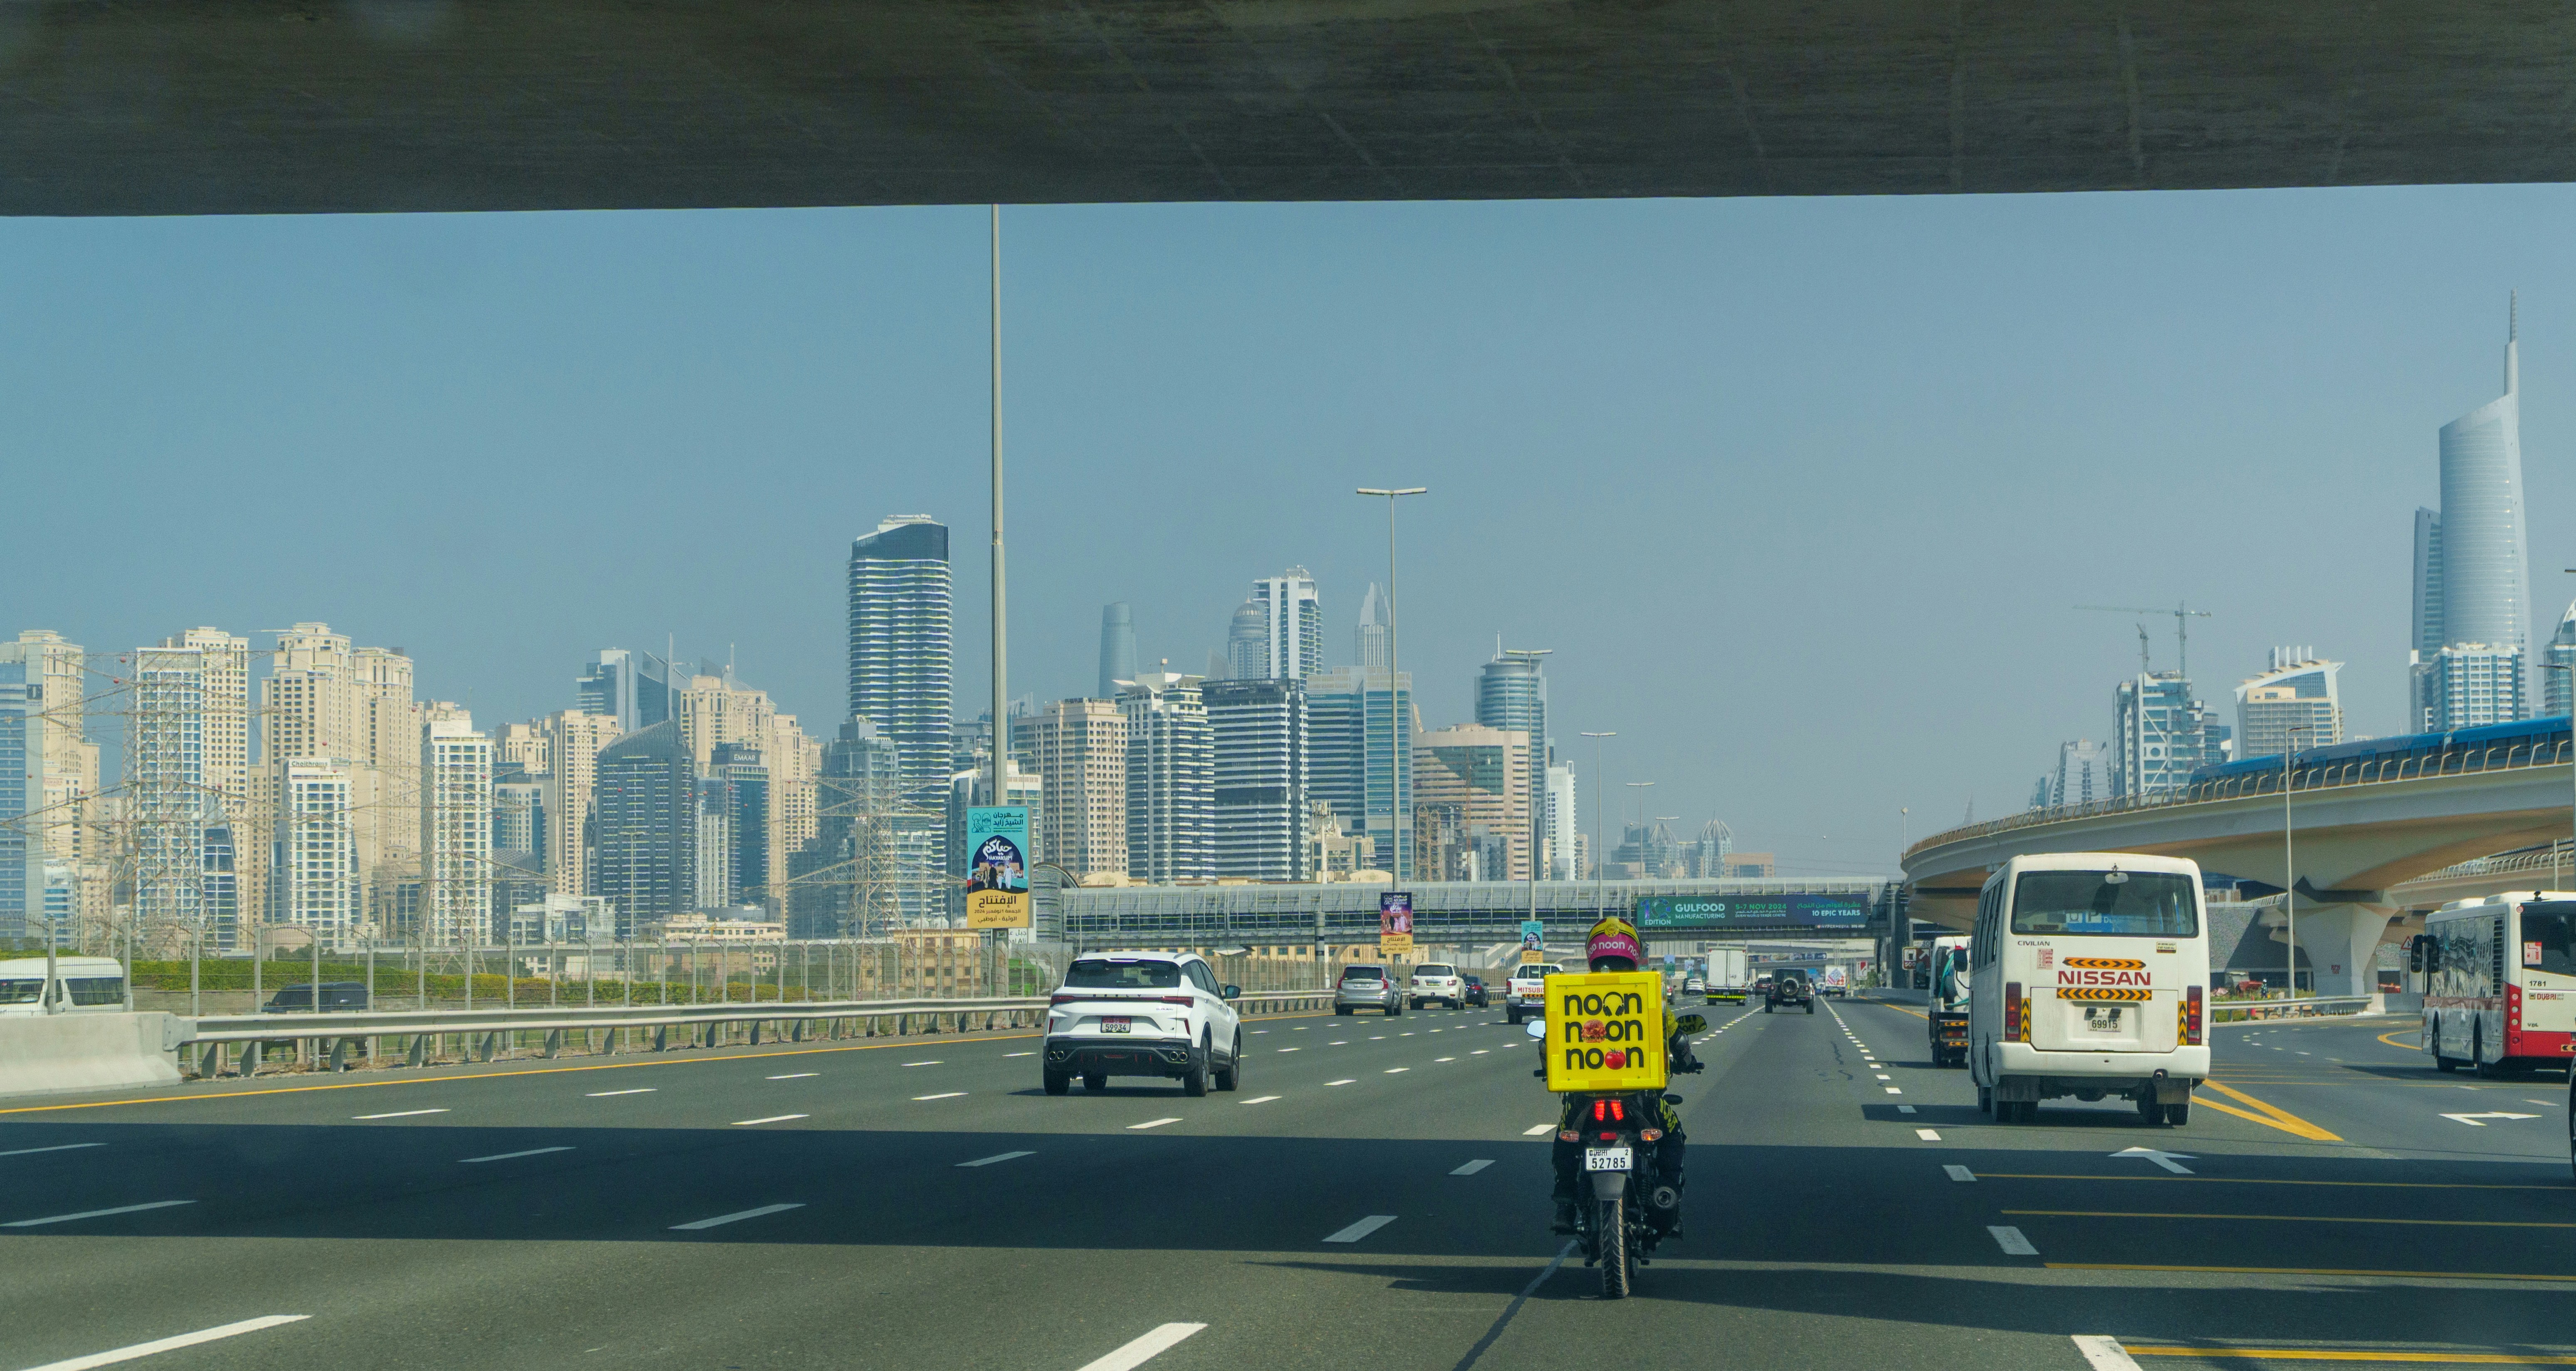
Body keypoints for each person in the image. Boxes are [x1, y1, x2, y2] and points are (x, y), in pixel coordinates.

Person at [1547, 914, 1699, 1237]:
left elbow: (1551, 1042)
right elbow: (1677, 1038)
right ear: (1633, 954)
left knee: (1565, 1136)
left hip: (1584, 1100)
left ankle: (1566, 1201)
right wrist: (1687, 1059)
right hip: (1640, 1097)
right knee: (1672, 1135)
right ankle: (1667, 1192)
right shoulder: (1649, 994)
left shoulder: (1572, 994)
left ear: (1593, 955)